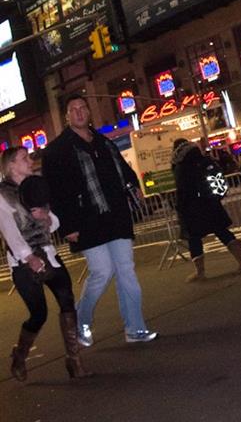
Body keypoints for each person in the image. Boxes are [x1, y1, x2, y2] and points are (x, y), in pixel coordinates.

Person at [42, 94, 157, 345]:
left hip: (116, 215)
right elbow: (56, 192)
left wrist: (134, 185)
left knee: (126, 270)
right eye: (74, 109)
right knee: (102, 272)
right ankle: (81, 320)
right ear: (67, 116)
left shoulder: (103, 141)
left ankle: (135, 328)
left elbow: (123, 170)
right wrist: (68, 226)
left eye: (83, 108)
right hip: (86, 220)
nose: (80, 112)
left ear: (89, 112)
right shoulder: (57, 150)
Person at [0, 146, 90, 381]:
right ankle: (20, 355)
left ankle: (74, 359)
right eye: (24, 158)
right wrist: (28, 257)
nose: (30, 161)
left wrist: (46, 217)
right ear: (11, 166)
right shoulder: (3, 194)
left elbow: (54, 222)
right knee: (38, 313)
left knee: (67, 300)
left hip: (48, 252)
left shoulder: (35, 185)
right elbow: (9, 230)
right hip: (23, 261)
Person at [171, 138, 241, 281]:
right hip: (211, 202)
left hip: (193, 208)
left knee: (194, 239)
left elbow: (183, 190)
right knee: (222, 231)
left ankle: (200, 272)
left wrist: (179, 207)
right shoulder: (203, 159)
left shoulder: (181, 166)